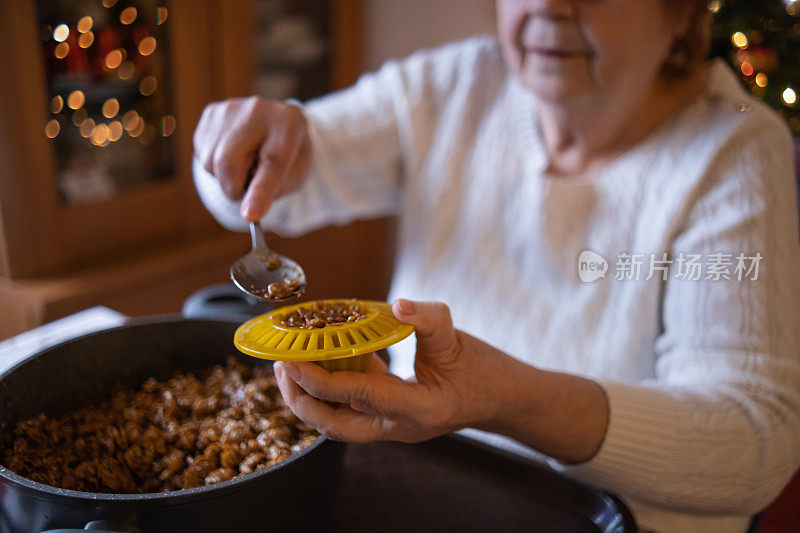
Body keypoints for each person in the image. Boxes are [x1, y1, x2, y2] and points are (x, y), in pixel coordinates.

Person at [192, 1, 800, 531]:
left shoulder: (734, 153)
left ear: (681, 10)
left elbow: (752, 442)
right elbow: (257, 179)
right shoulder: (455, 85)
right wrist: (248, 149)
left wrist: (512, 401)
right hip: (431, 480)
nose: (547, 6)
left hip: (614, 517)